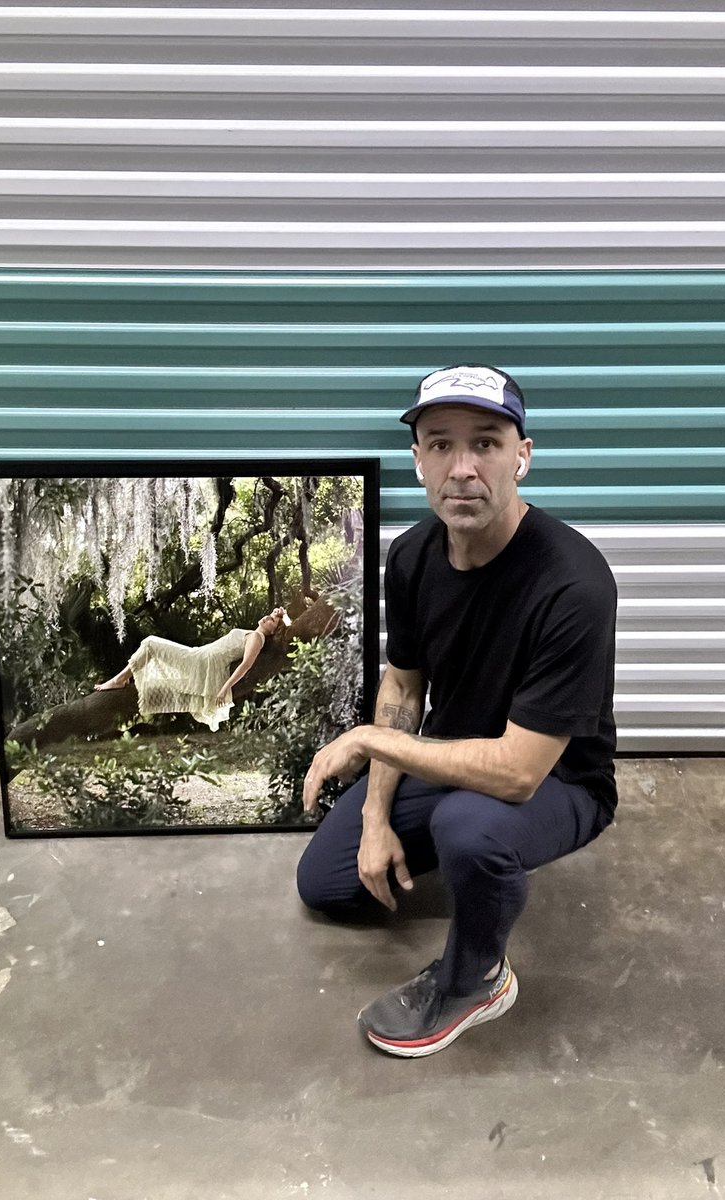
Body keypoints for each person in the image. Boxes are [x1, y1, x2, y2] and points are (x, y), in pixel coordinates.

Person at [297, 363, 617, 1057]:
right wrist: (377, 815)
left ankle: (477, 978)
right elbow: (404, 689)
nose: (462, 468)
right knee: (325, 882)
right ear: (418, 461)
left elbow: (517, 775)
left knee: (470, 826)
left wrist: (368, 743)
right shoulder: (411, 557)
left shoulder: (574, 584)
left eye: (487, 443)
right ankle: (465, 854)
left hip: (558, 778)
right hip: (454, 754)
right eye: (440, 444)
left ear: (523, 457)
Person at [95, 607, 289, 732]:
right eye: (269, 615)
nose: (267, 618)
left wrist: (224, 689)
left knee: (150, 643)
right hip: (199, 656)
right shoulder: (253, 633)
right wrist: (282, 614)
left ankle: (119, 679)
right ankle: (122, 679)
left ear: (273, 631)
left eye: (272, 621)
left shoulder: (257, 638)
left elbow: (246, 665)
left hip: (202, 663)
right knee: (151, 646)